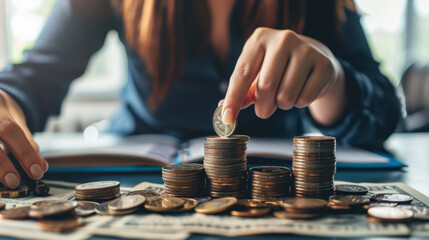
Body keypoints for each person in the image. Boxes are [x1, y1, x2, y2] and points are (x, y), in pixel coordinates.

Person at [0, 0, 401, 189]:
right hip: (133, 178)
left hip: (275, 185)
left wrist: (331, 82)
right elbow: (35, 77)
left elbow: (384, 109)